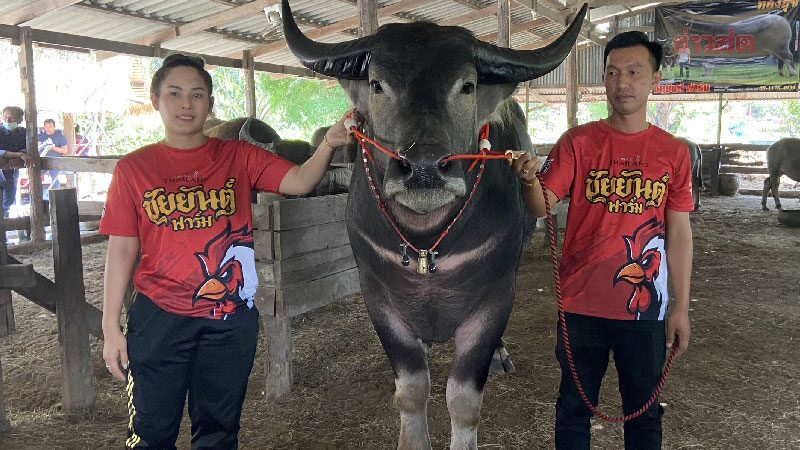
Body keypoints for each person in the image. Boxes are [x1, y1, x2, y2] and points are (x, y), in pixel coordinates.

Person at [99, 53, 356, 449]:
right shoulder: (133, 169)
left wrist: (328, 144)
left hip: (229, 318)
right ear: (155, 100)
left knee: (219, 431)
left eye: (197, 94)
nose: (186, 104)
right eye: (175, 93)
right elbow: (121, 249)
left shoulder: (238, 155)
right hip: (159, 317)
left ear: (210, 103)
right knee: (151, 432)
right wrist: (110, 327)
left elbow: (300, 181)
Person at [512, 31, 693, 449]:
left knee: (644, 412)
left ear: (655, 79)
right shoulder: (577, 142)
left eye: (634, 72)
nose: (621, 82)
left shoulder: (673, 152)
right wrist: (527, 181)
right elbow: (540, 206)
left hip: (644, 310)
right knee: (573, 409)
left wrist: (681, 307)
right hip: (580, 304)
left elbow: (679, 233)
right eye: (612, 72)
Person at [0, 106, 31, 218]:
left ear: (19, 120)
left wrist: (21, 154)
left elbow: (29, 148)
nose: (7, 120)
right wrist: (18, 155)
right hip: (2, 169)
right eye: (5, 117)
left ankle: (5, 223)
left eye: (11, 118)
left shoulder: (23, 133)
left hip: (11, 173)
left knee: (8, 201)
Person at [37, 118, 68, 200]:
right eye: (46, 126)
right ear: (44, 127)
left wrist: (53, 148)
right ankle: (38, 196)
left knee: (54, 177)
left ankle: (56, 197)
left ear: (54, 127)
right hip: (42, 160)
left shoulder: (60, 136)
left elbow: (65, 150)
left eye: (50, 127)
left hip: (55, 161)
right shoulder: (40, 136)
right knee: (35, 175)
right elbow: (37, 148)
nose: (48, 128)